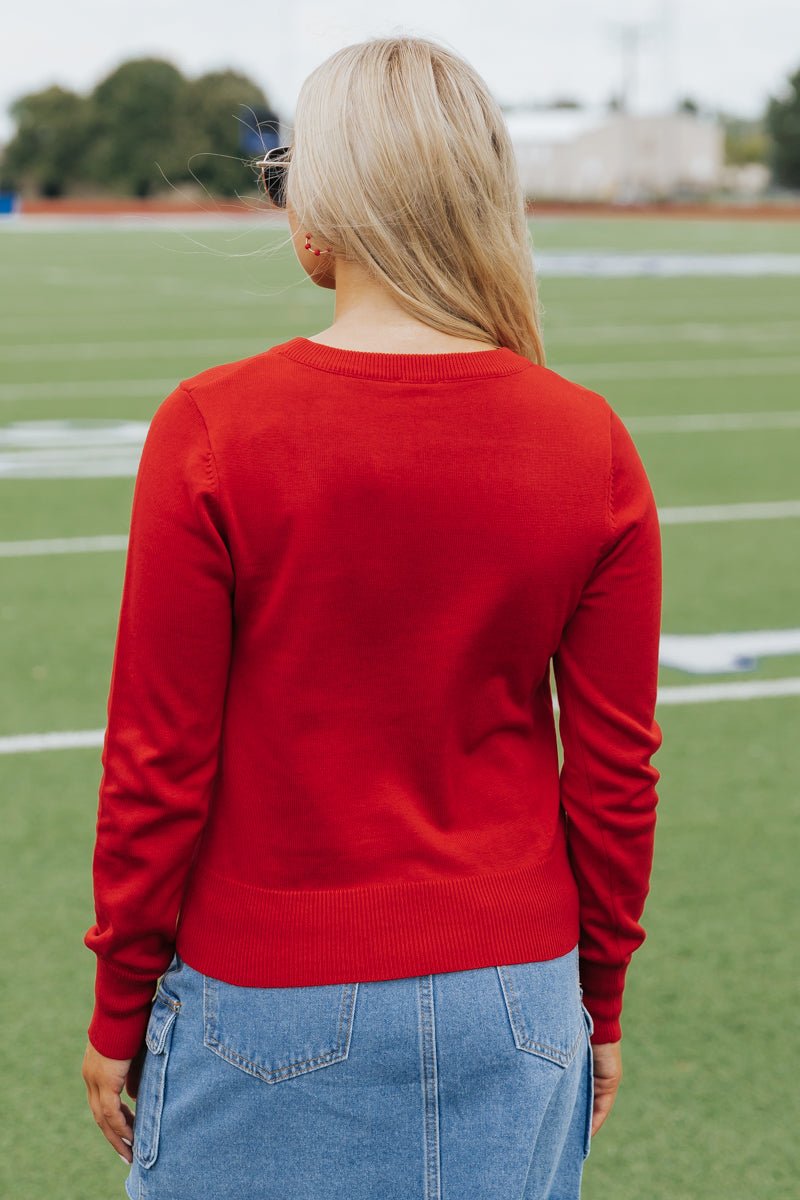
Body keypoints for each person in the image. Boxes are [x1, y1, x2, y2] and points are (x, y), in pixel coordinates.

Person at [81, 33, 663, 1200]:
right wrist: (594, 996)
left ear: (324, 207)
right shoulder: (586, 440)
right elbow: (612, 775)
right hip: (521, 991)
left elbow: (158, 761)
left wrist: (117, 1003)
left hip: (269, 990)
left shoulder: (211, 428)